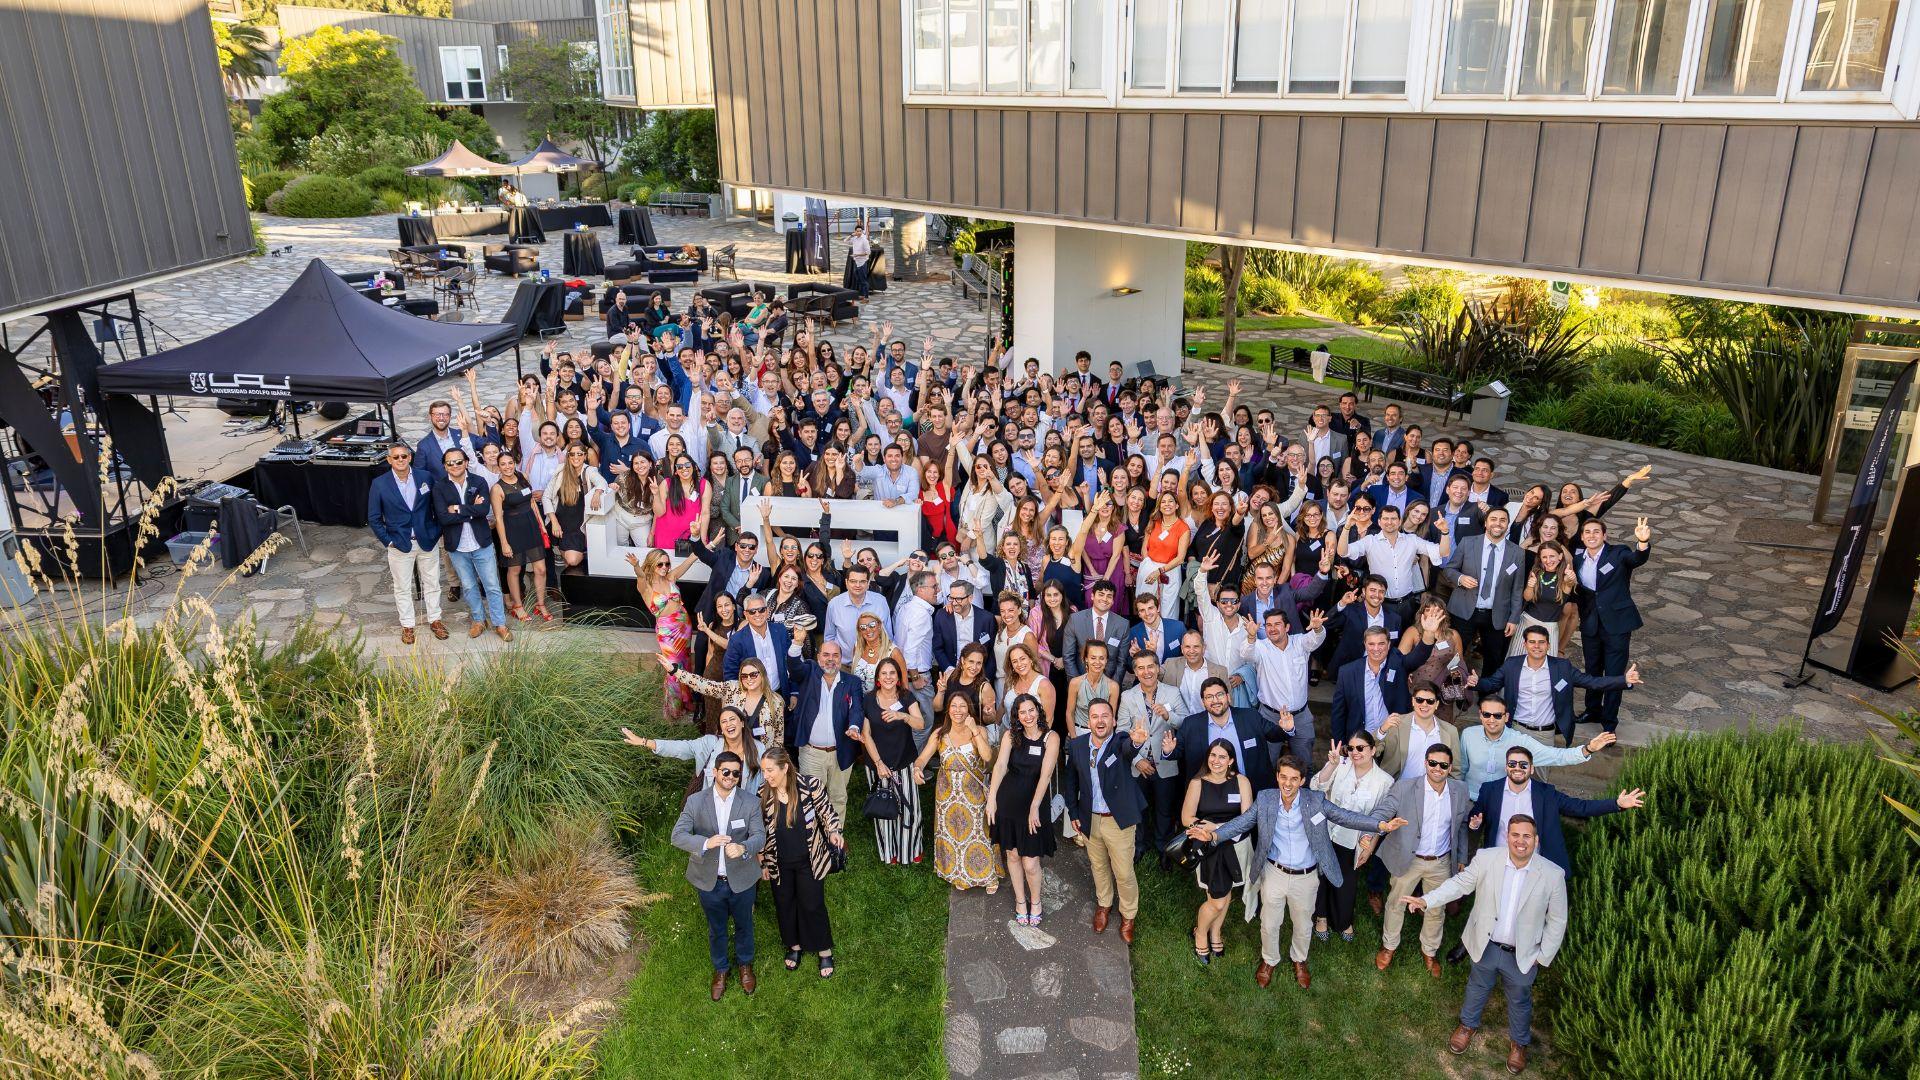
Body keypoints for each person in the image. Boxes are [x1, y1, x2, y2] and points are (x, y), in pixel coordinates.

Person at [1196, 755, 1406, 989]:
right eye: (1283, 777)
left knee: (1303, 924)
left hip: (1306, 876)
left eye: (1294, 779)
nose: (1287, 783)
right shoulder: (1265, 799)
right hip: (1273, 872)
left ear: (1302, 780)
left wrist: (1379, 825)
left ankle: (1299, 959)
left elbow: (1345, 817)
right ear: (1277, 777)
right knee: (1269, 923)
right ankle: (1269, 960)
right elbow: (1242, 822)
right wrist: (1214, 835)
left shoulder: (1315, 800)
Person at [1404, 815, 1568, 1074]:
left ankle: (1518, 1044)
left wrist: (1543, 955)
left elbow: (1557, 920)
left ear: (1536, 841)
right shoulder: (1487, 859)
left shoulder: (1552, 875)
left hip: (1523, 954)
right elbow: (1458, 885)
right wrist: (1427, 900)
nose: (1520, 841)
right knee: (1477, 986)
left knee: (1520, 1000)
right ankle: (1467, 1026)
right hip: (1486, 944)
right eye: (1515, 835)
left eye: (1527, 836)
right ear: (1507, 837)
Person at [1367, 740, 1474, 977]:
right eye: (1433, 763)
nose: (1437, 768)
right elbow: (1384, 810)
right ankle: (1389, 946)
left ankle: (1430, 950)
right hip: (1409, 858)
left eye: (1443, 765)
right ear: (1426, 763)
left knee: (1436, 908)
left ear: (1450, 767)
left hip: (1441, 861)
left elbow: (1462, 826)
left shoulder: (1460, 791)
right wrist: (1380, 825)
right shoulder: (1405, 787)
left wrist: (1462, 857)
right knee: (1396, 903)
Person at [669, 750, 765, 1001]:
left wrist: (744, 847)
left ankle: (745, 965)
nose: (731, 777)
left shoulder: (751, 802)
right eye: (726, 772)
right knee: (716, 928)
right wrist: (707, 842)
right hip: (709, 881)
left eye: (736, 773)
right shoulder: (696, 802)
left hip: (743, 879)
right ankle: (721, 969)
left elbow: (759, 836)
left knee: (745, 925)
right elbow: (677, 836)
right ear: (714, 772)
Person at [1470, 746, 1645, 874]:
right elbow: (1476, 816)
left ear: (1531, 769)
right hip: (1500, 863)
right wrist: (1475, 823)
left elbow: (1581, 807)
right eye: (1512, 763)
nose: (1517, 768)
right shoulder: (1490, 790)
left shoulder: (1547, 794)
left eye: (1523, 764)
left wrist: (1617, 804)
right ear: (1506, 766)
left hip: (1535, 864)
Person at [1060, 699, 1150, 943]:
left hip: (1118, 821)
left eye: (1104, 716)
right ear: (1088, 721)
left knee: (1123, 871)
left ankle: (1128, 915)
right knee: (1098, 866)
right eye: (1094, 716)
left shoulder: (1119, 741)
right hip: (1090, 819)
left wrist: (1137, 742)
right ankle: (1104, 904)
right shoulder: (1078, 745)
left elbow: (1129, 750)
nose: (1100, 721)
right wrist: (1074, 813)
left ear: (1112, 720)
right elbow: (1071, 783)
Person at [1471, 627, 1643, 746]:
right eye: (1532, 642)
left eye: (1541, 642)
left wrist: (1624, 680)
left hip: (1544, 734)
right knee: (1514, 777)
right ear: (1525, 644)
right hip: (1515, 730)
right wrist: (1476, 682)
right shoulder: (1512, 665)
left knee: (1541, 782)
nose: (1536, 646)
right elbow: (1492, 683)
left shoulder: (1562, 667)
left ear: (1548, 645)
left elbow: (1593, 682)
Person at [757, 746, 844, 979]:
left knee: (812, 904)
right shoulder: (763, 794)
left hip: (809, 860)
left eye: (770, 770)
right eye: (764, 771)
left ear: (785, 767)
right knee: (784, 904)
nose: (766, 776)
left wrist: (834, 831)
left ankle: (823, 949)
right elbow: (760, 832)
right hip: (779, 862)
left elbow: (826, 812)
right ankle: (794, 946)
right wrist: (764, 862)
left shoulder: (810, 786)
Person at [1570, 516, 1654, 732]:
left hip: (1617, 624)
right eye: (1587, 532)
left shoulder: (1618, 553)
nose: (1592, 535)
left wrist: (1642, 543)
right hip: (1591, 624)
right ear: (1582, 537)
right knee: (1592, 671)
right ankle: (1592, 710)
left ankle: (1609, 723)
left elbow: (1637, 559)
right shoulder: (1578, 559)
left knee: (1615, 674)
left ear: (1604, 535)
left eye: (1596, 531)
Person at [1309, 729, 1393, 943]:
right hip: (1327, 831)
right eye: (1351, 748)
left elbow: (1379, 818)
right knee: (1323, 876)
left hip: (1354, 839)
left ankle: (1343, 920)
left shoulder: (1384, 781)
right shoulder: (1342, 765)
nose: (1355, 752)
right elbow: (1315, 786)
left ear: (1373, 750)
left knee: (1346, 881)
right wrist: (1332, 764)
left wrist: (1370, 846)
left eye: (1361, 748)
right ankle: (1321, 916)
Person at [912, 692, 1001, 893]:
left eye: (962, 706)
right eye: (954, 706)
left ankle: (988, 876)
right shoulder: (940, 734)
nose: (958, 711)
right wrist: (917, 769)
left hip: (973, 793)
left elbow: (987, 757)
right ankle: (959, 873)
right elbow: (923, 758)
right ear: (948, 710)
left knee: (979, 832)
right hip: (947, 795)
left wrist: (974, 731)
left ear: (969, 709)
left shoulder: (978, 730)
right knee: (954, 834)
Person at [985, 694, 1060, 926]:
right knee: (1013, 855)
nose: (1027, 716)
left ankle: (1035, 901)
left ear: (1038, 711)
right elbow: (999, 766)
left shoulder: (1051, 737)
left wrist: (1035, 806)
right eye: (1022, 712)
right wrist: (991, 799)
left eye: (1031, 710)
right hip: (1008, 802)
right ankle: (1020, 901)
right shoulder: (1010, 736)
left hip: (1034, 804)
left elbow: (1046, 775)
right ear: (1015, 716)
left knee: (1030, 862)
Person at [1180, 738, 1253, 965]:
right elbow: (1186, 818)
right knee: (1217, 900)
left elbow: (1247, 818)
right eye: (1213, 755)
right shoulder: (1198, 783)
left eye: (1222, 757)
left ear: (1231, 760)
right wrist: (1212, 830)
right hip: (1209, 846)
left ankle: (1215, 932)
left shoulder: (1241, 782)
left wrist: (1217, 828)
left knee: (1227, 891)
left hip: (1236, 845)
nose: (1216, 761)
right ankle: (1201, 932)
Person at [430, 447, 510, 641]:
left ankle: (500, 623)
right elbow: (443, 518)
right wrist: (470, 510)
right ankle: (478, 620)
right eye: (450, 463)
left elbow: (483, 510)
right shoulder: (439, 487)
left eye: (459, 461)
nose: (455, 465)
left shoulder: (479, 481)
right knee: (468, 586)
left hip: (481, 543)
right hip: (457, 547)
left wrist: (456, 509)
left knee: (492, 585)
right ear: (444, 466)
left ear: (466, 462)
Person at [367, 443, 444, 644]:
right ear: (389, 460)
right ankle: (408, 625)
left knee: (433, 582)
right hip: (399, 544)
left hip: (427, 540)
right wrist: (388, 541)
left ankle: (435, 619)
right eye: (396, 457)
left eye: (404, 456)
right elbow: (374, 518)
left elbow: (437, 506)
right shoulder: (379, 484)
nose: (400, 460)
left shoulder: (425, 477)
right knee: (402, 587)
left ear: (410, 457)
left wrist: (436, 532)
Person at [1458, 696, 1614, 791]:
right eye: (1487, 714)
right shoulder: (1468, 734)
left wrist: (1588, 749)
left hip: (1501, 802)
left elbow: (1555, 756)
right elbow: (1462, 769)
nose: (1491, 720)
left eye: (1497, 715)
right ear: (1480, 715)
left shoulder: (1520, 741)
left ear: (1506, 717)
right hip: (1471, 799)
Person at [1440, 506, 1525, 675]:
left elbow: (1517, 589)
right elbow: (1449, 570)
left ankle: (1487, 698)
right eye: (1493, 519)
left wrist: (1514, 618)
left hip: (1497, 614)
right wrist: (1461, 578)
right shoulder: (1468, 542)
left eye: (1503, 520)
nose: (1498, 524)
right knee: (1454, 655)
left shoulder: (1517, 553)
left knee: (1494, 659)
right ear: (1486, 523)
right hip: (1464, 610)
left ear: (1508, 525)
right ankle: (1453, 692)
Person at [788, 642, 864, 825]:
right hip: (811, 752)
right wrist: (797, 643)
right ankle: (815, 838)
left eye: (835, 655)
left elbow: (857, 709)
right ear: (818, 657)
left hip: (841, 750)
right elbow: (794, 667)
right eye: (826, 655)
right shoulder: (809, 675)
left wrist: (854, 727)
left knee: (838, 796)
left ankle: (835, 838)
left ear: (841, 658)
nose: (830, 659)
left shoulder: (851, 682)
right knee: (812, 797)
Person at [859, 657, 926, 864]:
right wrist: (878, 763)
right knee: (884, 807)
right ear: (878, 678)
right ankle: (890, 852)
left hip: (904, 761)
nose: (888, 677)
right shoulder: (869, 699)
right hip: (878, 765)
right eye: (884, 673)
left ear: (898, 677)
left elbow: (920, 724)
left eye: (892, 673)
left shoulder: (906, 697)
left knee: (910, 808)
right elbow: (866, 734)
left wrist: (902, 716)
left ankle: (911, 848)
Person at [624, 702, 766, 795]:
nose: (729, 724)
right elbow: (681, 747)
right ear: (721, 729)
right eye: (724, 721)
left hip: (744, 812)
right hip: (713, 809)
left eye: (732, 719)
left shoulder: (758, 749)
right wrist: (645, 742)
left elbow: (765, 783)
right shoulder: (711, 743)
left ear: (741, 723)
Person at [1122, 649, 1187, 853]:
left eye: (1150, 666)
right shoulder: (1127, 696)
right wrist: (1136, 760)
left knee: (1164, 810)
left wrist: (1169, 716)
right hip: (1139, 765)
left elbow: (1186, 722)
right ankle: (1139, 846)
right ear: (1135, 672)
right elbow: (1121, 734)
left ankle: (1163, 849)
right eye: (1140, 668)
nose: (1146, 671)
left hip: (1165, 763)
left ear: (1158, 668)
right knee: (1139, 809)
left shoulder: (1172, 692)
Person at [627, 549, 701, 724]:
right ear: (652, 564)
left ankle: (686, 700)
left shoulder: (670, 577)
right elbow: (640, 575)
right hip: (667, 630)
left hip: (684, 625)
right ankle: (674, 710)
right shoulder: (645, 585)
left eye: (667, 564)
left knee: (685, 663)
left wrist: (705, 545)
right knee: (673, 667)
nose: (665, 567)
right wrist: (636, 565)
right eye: (660, 564)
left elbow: (688, 562)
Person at [1329, 627, 1422, 746]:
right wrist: (1341, 746)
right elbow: (1338, 714)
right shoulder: (1347, 672)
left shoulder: (1398, 665)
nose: (1376, 648)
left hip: (1392, 741)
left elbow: (1418, 658)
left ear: (1388, 645)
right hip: (1360, 743)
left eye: (1381, 644)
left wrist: (1428, 635)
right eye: (1371, 644)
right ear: (1365, 644)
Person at [672, 653, 787, 748]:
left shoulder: (776, 701)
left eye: (753, 675)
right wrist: (676, 671)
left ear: (762, 675)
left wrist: (773, 762)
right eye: (744, 676)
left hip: (762, 759)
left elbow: (778, 736)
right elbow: (705, 685)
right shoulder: (732, 689)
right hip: (733, 757)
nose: (749, 679)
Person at [489, 451, 550, 623]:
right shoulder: (497, 488)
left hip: (531, 528)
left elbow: (531, 502)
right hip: (512, 531)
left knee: (541, 569)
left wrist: (542, 526)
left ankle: (540, 604)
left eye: (510, 463)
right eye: (503, 464)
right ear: (498, 466)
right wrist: (504, 543)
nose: (507, 467)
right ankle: (517, 606)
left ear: (514, 463)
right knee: (514, 570)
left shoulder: (523, 476)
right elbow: (498, 518)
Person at [847, 222, 873, 299]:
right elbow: (845, 240)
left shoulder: (864, 240)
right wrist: (851, 235)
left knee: (863, 280)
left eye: (860, 231)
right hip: (856, 261)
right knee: (858, 279)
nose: (858, 232)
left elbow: (868, 252)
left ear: (862, 232)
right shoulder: (854, 238)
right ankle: (861, 295)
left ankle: (866, 297)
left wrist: (857, 255)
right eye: (857, 231)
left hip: (862, 262)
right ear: (855, 231)